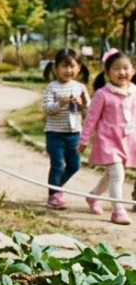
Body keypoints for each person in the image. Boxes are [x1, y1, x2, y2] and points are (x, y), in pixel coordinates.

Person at [80, 48, 136, 225]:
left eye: (126, 68)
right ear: (107, 72)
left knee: (111, 175)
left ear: (133, 70)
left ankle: (93, 196)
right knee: (117, 175)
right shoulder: (102, 94)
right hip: (108, 141)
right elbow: (91, 119)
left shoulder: (134, 91)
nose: (122, 72)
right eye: (116, 68)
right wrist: (84, 140)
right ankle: (118, 211)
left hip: (126, 141)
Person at [41, 48, 90, 209]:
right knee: (57, 165)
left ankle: (57, 186)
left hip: (74, 134)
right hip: (54, 134)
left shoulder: (80, 87)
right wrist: (60, 103)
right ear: (56, 68)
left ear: (79, 68)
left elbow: (89, 108)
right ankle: (53, 196)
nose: (68, 70)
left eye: (72, 66)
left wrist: (81, 104)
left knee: (75, 165)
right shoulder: (52, 87)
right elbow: (46, 109)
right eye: (64, 66)